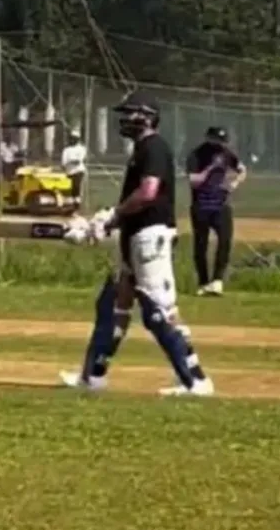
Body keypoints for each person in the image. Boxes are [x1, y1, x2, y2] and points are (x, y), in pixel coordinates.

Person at [59, 92, 214, 397]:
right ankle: (93, 377)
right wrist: (100, 225)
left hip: (149, 237)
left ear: (146, 116)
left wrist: (113, 215)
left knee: (159, 311)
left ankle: (195, 381)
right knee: (113, 303)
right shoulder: (141, 149)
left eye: (130, 114)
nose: (124, 120)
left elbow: (148, 193)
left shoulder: (154, 147)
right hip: (134, 235)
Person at [187, 126, 247, 296]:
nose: (220, 145)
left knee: (225, 241)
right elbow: (193, 181)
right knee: (201, 245)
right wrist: (209, 169)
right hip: (201, 206)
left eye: (222, 141)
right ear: (208, 138)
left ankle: (217, 280)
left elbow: (242, 169)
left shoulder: (227, 154)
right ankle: (203, 282)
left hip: (221, 205)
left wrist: (234, 183)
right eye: (217, 140)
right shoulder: (196, 155)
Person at [60, 129, 88, 209]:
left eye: (74, 138)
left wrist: (69, 162)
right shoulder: (66, 150)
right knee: (69, 189)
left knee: (76, 187)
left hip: (78, 171)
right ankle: (70, 205)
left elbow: (78, 161)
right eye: (71, 138)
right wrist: (70, 162)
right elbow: (63, 163)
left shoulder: (81, 149)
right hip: (69, 172)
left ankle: (77, 204)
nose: (72, 140)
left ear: (77, 139)